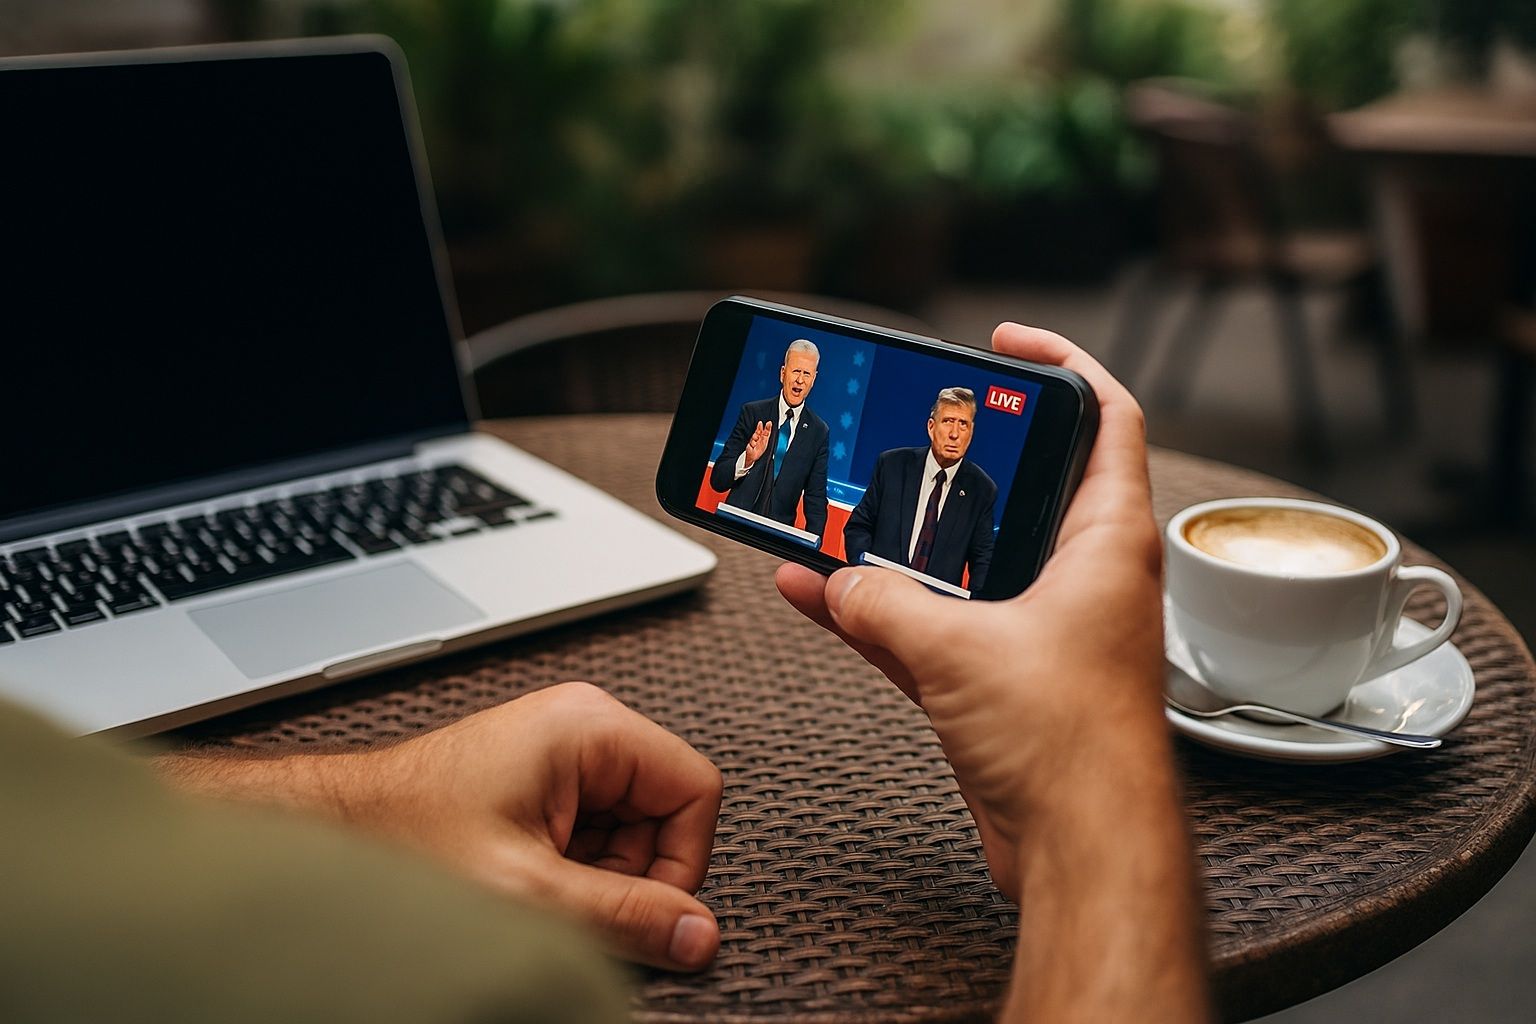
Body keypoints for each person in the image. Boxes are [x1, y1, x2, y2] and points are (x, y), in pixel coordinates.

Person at [0, 324, 1209, 1023]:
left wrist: (358, 803)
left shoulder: (916, 469)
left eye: (802, 377)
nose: (796, 386)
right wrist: (1091, 802)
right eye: (785, 374)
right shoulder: (478, 987)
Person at [842, 386, 997, 590]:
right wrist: (865, 576)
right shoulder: (892, 466)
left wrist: (971, 613)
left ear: (971, 432)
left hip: (933, 613)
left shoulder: (982, 490)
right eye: (948, 421)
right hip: (877, 593)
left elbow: (983, 562)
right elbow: (858, 527)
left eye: (963, 424)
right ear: (931, 427)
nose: (954, 434)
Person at [708, 338, 830, 539]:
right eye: (795, 371)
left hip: (778, 538)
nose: (800, 380)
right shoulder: (752, 413)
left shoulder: (819, 432)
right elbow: (718, 479)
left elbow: (815, 498)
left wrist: (810, 551)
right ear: (783, 373)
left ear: (813, 379)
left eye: (806, 373)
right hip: (733, 526)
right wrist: (747, 460)